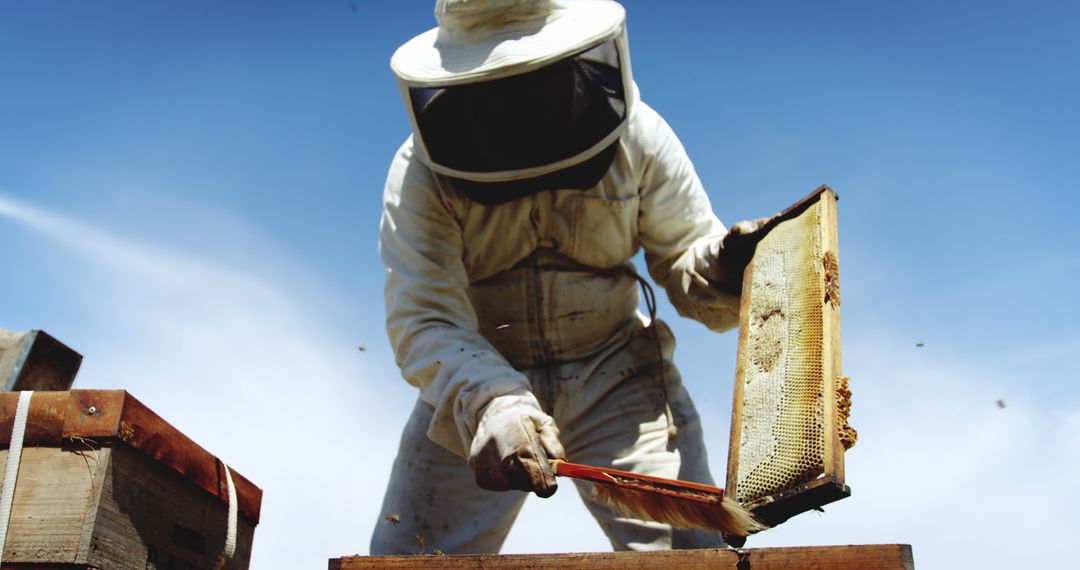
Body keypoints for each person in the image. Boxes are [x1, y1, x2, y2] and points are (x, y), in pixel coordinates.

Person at [371, 0, 773, 554]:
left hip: (618, 372)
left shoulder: (640, 136)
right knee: (409, 559)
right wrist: (492, 403)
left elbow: (684, 257)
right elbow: (425, 317)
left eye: (532, 77)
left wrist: (724, 266)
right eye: (497, 84)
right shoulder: (421, 173)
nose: (518, 102)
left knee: (691, 553)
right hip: (476, 378)